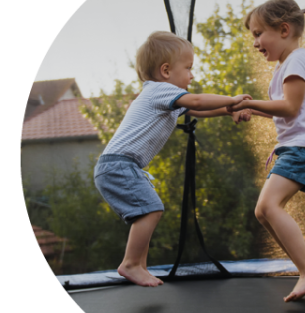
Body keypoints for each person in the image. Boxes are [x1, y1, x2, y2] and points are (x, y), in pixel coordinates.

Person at [94, 31, 252, 287]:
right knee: (151, 209)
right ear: (166, 70)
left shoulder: (164, 96)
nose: (192, 75)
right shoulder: (159, 90)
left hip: (120, 166)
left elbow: (202, 109)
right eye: (188, 68)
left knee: (146, 212)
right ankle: (131, 264)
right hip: (118, 165)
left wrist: (229, 110)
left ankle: (139, 265)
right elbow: (199, 101)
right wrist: (233, 99)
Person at [227, 0, 305, 302]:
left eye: (257, 33)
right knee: (263, 211)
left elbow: (289, 107)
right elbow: (286, 109)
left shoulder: (298, 60)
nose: (255, 43)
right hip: (296, 148)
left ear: (283, 29)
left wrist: (249, 103)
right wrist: (254, 110)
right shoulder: (284, 66)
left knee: (268, 207)